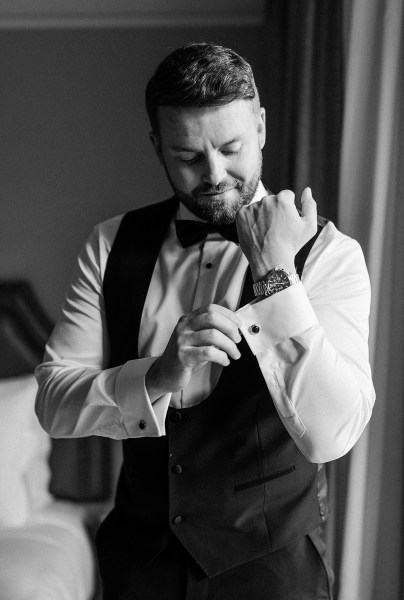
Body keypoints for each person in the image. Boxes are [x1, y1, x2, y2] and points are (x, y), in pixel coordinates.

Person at [35, 42, 375, 600]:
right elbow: (52, 401)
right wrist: (155, 377)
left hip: (275, 572)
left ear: (261, 126)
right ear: (157, 148)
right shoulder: (110, 245)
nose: (214, 175)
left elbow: (332, 434)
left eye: (231, 147)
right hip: (139, 568)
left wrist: (273, 275)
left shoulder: (332, 255)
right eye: (188, 157)